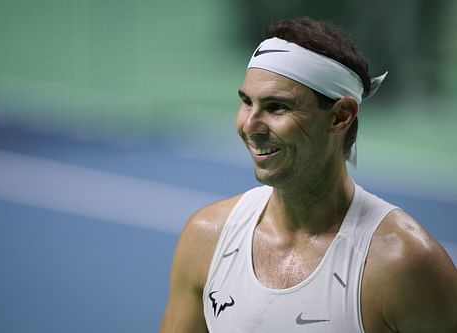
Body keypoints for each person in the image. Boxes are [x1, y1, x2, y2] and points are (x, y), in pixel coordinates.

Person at [160, 17, 457, 333]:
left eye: (277, 107)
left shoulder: (404, 265)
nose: (250, 125)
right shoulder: (206, 236)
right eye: (247, 102)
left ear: (340, 117)